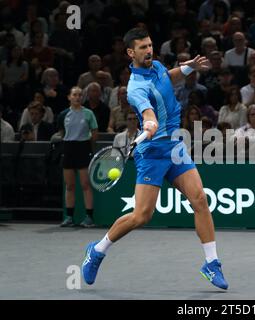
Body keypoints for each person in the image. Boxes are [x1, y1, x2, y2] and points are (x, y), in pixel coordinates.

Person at [81, 28, 228, 290]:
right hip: (152, 152)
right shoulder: (135, 89)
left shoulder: (157, 65)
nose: (149, 50)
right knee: (141, 216)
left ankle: (212, 263)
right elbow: (148, 114)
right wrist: (149, 125)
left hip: (174, 147)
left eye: (150, 45)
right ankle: (98, 249)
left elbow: (166, 78)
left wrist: (187, 68)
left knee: (200, 199)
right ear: (130, 53)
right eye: (142, 48)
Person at [58, 86, 98, 228]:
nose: (77, 97)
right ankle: (69, 217)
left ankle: (89, 217)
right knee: (69, 185)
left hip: (83, 148)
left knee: (85, 185)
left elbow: (94, 133)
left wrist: (89, 148)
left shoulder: (89, 114)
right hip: (68, 149)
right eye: (74, 95)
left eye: (80, 95)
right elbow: (62, 133)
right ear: (69, 97)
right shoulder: (63, 115)